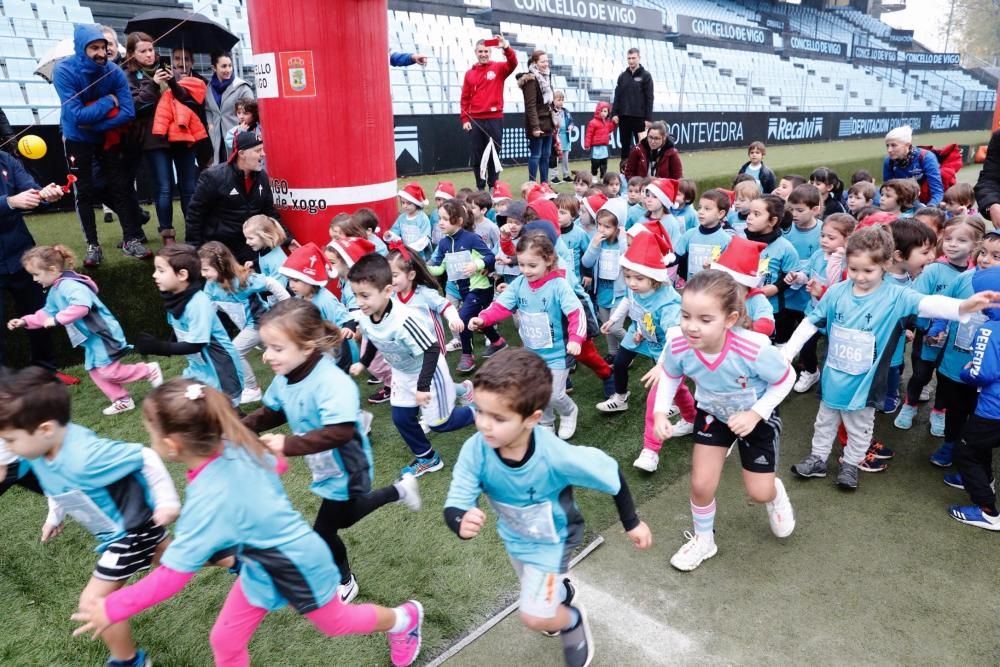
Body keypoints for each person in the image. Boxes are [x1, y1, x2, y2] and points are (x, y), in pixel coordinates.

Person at [71, 378, 425, 667]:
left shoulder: (208, 498)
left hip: (297, 565)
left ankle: (405, 619)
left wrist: (113, 606)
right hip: (261, 565)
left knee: (336, 623)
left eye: (150, 433)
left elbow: (173, 576)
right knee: (224, 641)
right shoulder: (237, 444)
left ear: (171, 445)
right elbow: (278, 466)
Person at [444, 349, 651, 666]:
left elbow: (611, 472)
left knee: (535, 615)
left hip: (554, 537)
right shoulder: (477, 448)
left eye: (498, 418)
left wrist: (632, 522)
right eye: (479, 411)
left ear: (532, 419)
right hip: (515, 535)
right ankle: (562, 594)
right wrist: (460, 517)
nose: (484, 425)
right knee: (531, 583)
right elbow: (458, 495)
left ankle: (571, 620)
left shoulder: (554, 455)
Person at [784, 225, 1000, 490]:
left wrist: (964, 306)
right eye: (853, 269)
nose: (859, 277)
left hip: (866, 382)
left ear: (886, 264)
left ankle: (851, 464)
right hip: (833, 376)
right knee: (824, 420)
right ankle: (817, 459)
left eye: (868, 271)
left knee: (860, 426)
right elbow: (810, 322)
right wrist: (787, 353)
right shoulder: (838, 291)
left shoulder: (896, 296)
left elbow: (929, 303)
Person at [243, 299, 421, 603]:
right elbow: (273, 411)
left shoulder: (331, 382)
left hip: (349, 463)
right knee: (345, 517)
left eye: (277, 348)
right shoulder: (286, 376)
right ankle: (400, 490)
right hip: (324, 462)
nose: (267, 357)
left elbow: (340, 432)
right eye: (267, 347)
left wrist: (286, 445)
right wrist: (240, 428)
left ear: (308, 345)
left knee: (324, 531)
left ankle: (345, 579)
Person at [0, 366, 180, 667]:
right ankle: (240, 558)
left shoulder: (85, 456)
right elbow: (58, 490)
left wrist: (167, 502)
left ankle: (129, 661)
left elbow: (144, 456)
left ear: (45, 429)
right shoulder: (40, 456)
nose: (7, 448)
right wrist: (54, 518)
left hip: (129, 532)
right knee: (177, 558)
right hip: (120, 531)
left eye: (11, 440)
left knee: (95, 603)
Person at [652, 270, 796, 572]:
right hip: (713, 413)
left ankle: (774, 493)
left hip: (756, 417)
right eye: (686, 315)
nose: (692, 327)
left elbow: (786, 378)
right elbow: (670, 373)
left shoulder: (753, 348)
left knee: (759, 492)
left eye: (705, 320)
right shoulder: (678, 343)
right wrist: (660, 412)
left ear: (730, 319)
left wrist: (756, 413)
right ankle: (705, 541)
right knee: (701, 483)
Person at [347, 254, 478, 478]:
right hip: (402, 372)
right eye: (356, 295)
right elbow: (374, 339)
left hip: (428, 370)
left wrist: (423, 386)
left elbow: (431, 350)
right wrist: (363, 362)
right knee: (401, 418)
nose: (359, 302)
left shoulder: (403, 320)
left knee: (439, 424)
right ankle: (428, 458)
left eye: (365, 295)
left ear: (387, 291)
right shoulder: (367, 315)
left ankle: (483, 412)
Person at [8, 245, 163, 416]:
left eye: (36, 274)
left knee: (108, 371)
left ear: (52, 269)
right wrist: (24, 321)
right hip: (90, 338)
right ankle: (122, 400)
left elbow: (82, 306)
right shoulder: (55, 291)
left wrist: (58, 319)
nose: (34, 279)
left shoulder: (69, 285)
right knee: (95, 370)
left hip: (102, 333)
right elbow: (45, 313)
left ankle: (148, 371)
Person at [471, 232, 585, 439]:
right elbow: (501, 305)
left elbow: (577, 313)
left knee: (555, 393)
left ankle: (569, 412)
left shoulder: (559, 285)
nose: (525, 270)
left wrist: (576, 339)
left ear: (548, 260)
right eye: (522, 265)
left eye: (532, 266)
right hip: (532, 352)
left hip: (559, 351)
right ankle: (546, 422)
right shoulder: (519, 284)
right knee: (537, 392)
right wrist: (483, 318)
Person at [54, 24, 149, 266]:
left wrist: (94, 123)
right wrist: (109, 101)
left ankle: (131, 240)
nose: (100, 53)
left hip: (105, 138)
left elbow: (128, 113)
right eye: (94, 48)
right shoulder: (64, 71)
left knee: (120, 186)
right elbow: (76, 116)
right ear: (81, 48)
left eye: (104, 47)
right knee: (84, 191)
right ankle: (93, 246)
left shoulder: (114, 72)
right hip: (76, 139)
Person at [136, 245, 243, 405]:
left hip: (221, 369)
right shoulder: (175, 299)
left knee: (228, 417)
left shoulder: (198, 303)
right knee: (194, 411)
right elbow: (179, 331)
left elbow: (196, 344)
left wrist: (158, 347)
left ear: (182, 274)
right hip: (198, 368)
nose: (154, 275)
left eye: (161, 270)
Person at [124, 32, 201, 247]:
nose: (149, 55)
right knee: (164, 187)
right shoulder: (127, 76)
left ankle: (193, 230)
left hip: (181, 133)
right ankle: (167, 233)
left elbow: (186, 99)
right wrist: (154, 84)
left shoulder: (168, 69)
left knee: (189, 186)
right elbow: (136, 107)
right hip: (153, 138)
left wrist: (173, 82)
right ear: (132, 54)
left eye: (151, 50)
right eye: (143, 51)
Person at [197, 241, 290, 404]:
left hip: (260, 323)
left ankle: (252, 389)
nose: (203, 273)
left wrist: (288, 304)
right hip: (250, 327)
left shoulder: (242, 279)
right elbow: (208, 309)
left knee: (235, 350)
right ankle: (295, 376)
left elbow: (271, 282)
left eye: (205, 269)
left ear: (221, 266)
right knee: (280, 353)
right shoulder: (211, 286)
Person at [0, 149, 63, 372]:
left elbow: (31, 190)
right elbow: (14, 201)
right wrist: (8, 202)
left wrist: (45, 195)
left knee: (36, 313)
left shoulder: (6, 159)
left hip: (20, 255)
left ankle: (44, 370)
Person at [428, 199, 507, 373]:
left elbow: (490, 257)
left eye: (445, 219)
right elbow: (440, 268)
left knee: (462, 319)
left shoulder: (471, 239)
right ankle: (498, 342)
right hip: (462, 290)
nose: (440, 222)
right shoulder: (443, 243)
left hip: (480, 288)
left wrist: (476, 265)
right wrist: (423, 268)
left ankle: (467, 356)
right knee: (477, 319)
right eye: (439, 218)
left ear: (459, 221)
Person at [949, 266, 1000, 530]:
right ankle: (985, 480)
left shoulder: (990, 329)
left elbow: (983, 373)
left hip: (994, 409)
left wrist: (966, 371)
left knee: (965, 450)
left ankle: (988, 511)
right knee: (980, 446)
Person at [186, 132, 282, 265]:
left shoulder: (262, 177)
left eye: (263, 149)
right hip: (219, 249)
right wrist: (195, 251)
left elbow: (270, 213)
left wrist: (287, 239)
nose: (263, 154)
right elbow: (195, 214)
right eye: (258, 150)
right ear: (241, 153)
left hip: (249, 247)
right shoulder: (214, 177)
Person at [460, 35, 517, 190]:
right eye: (480, 51)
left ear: (490, 53)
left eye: (486, 51)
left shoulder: (499, 68)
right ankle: (480, 187)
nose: (483, 54)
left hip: (494, 119)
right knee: (477, 155)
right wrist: (465, 119)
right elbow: (464, 98)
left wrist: (506, 47)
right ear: (476, 53)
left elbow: (513, 63)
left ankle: (493, 187)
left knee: (493, 155)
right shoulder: (469, 74)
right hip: (475, 120)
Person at [204, 50, 255, 165]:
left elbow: (252, 112)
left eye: (230, 65)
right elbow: (207, 109)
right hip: (218, 141)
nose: (228, 70)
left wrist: (242, 128)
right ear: (214, 68)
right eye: (224, 66)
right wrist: (211, 125)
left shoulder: (241, 87)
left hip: (238, 140)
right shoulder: (209, 88)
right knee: (223, 175)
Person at [611, 47, 654, 171]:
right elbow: (617, 96)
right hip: (624, 117)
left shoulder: (646, 76)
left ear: (639, 58)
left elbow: (649, 98)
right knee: (625, 146)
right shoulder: (622, 76)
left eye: (633, 58)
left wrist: (648, 118)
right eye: (629, 58)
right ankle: (624, 171)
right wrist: (614, 113)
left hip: (639, 118)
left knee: (642, 146)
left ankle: (644, 171)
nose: (631, 61)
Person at [517, 50, 556, 184]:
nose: (546, 64)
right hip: (537, 123)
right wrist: (535, 127)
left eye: (547, 61)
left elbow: (550, 101)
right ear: (535, 63)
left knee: (546, 156)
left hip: (548, 122)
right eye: (542, 61)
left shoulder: (547, 76)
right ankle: (532, 185)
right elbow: (530, 106)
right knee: (536, 155)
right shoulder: (530, 80)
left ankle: (545, 184)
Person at [883, 125, 944, 207]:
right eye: (887, 145)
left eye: (893, 145)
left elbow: (937, 192)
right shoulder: (888, 161)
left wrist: (930, 207)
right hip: (903, 202)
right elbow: (887, 191)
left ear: (907, 145)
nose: (889, 150)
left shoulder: (927, 157)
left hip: (927, 202)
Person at [583, 102, 614, 179]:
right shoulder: (593, 122)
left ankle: (603, 176)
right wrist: (587, 144)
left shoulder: (607, 122)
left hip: (604, 147)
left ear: (608, 112)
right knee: (595, 163)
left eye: (605, 111)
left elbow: (610, 129)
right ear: (598, 111)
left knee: (604, 163)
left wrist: (614, 124)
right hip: (596, 147)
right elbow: (588, 134)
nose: (603, 113)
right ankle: (594, 175)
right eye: (602, 111)